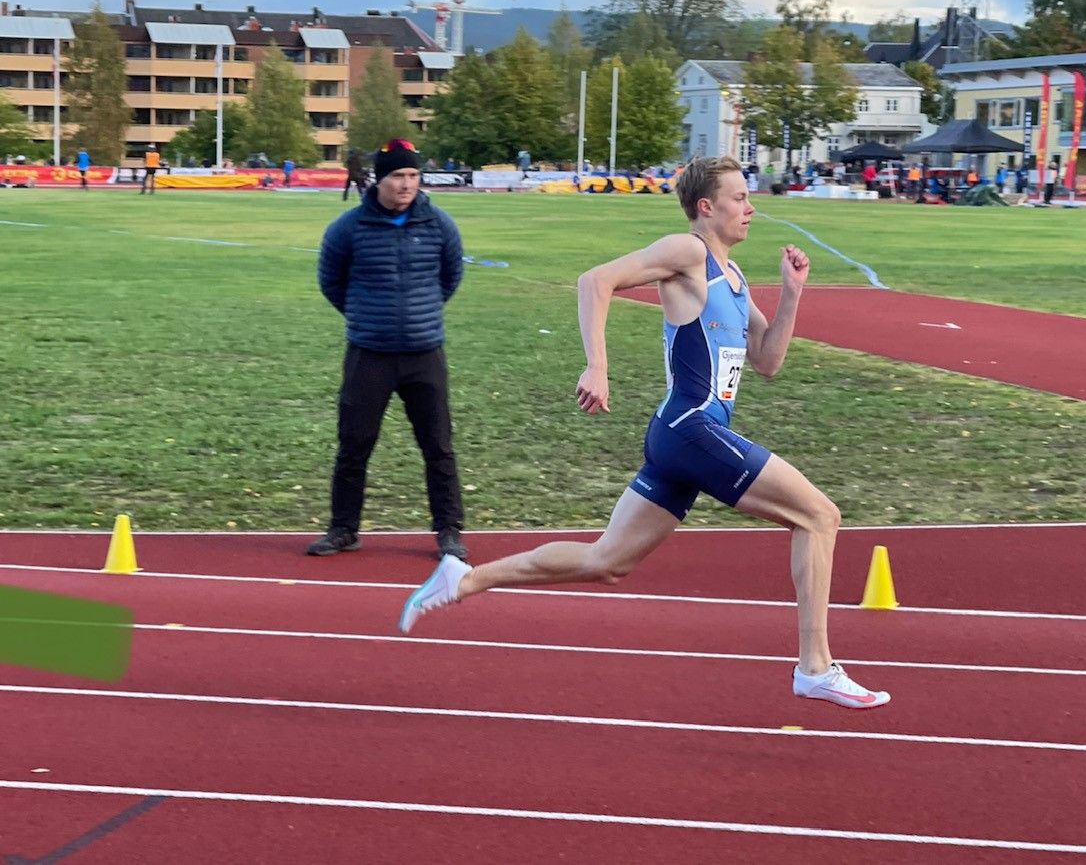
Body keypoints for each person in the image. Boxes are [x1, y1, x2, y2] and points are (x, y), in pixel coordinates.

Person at [398, 155, 890, 711]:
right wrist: (597, 366)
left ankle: (464, 579)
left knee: (606, 561)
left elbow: (767, 361)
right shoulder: (688, 252)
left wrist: (792, 293)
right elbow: (595, 280)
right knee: (819, 516)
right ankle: (814, 666)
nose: (751, 208)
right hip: (690, 428)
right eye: (739, 198)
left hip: (681, 436)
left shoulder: (732, 278)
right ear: (706, 207)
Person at [309, 138, 468, 562]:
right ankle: (344, 528)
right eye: (398, 175)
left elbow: (450, 276)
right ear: (380, 179)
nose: (406, 184)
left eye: (413, 175)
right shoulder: (348, 228)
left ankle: (449, 529)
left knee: (438, 445)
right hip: (369, 354)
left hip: (424, 353)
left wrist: (421, 313)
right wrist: (366, 315)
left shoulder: (439, 224)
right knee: (354, 444)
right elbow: (331, 281)